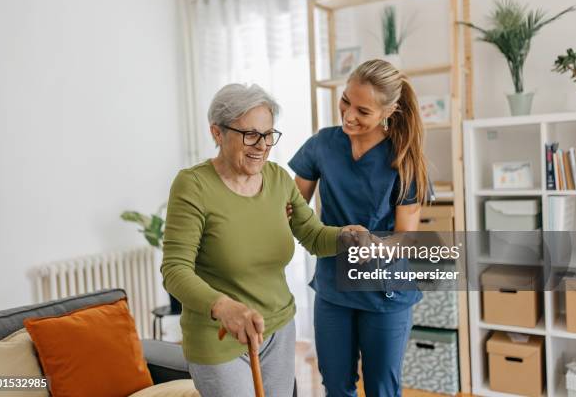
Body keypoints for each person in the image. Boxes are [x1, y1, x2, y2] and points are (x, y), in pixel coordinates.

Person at [161, 83, 367, 397]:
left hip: (279, 328)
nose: (262, 145)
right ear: (217, 133)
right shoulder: (193, 186)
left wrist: (345, 237)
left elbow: (312, 235)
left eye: (269, 134)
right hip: (219, 335)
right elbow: (175, 270)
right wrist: (224, 307)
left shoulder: (278, 179)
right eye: (250, 134)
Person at [289, 59, 429, 397]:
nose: (349, 115)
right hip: (333, 287)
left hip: (384, 290)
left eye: (362, 110)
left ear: (389, 111)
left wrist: (373, 246)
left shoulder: (403, 158)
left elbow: (405, 237)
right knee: (336, 385)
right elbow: (291, 208)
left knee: (382, 388)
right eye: (345, 101)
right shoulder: (321, 145)